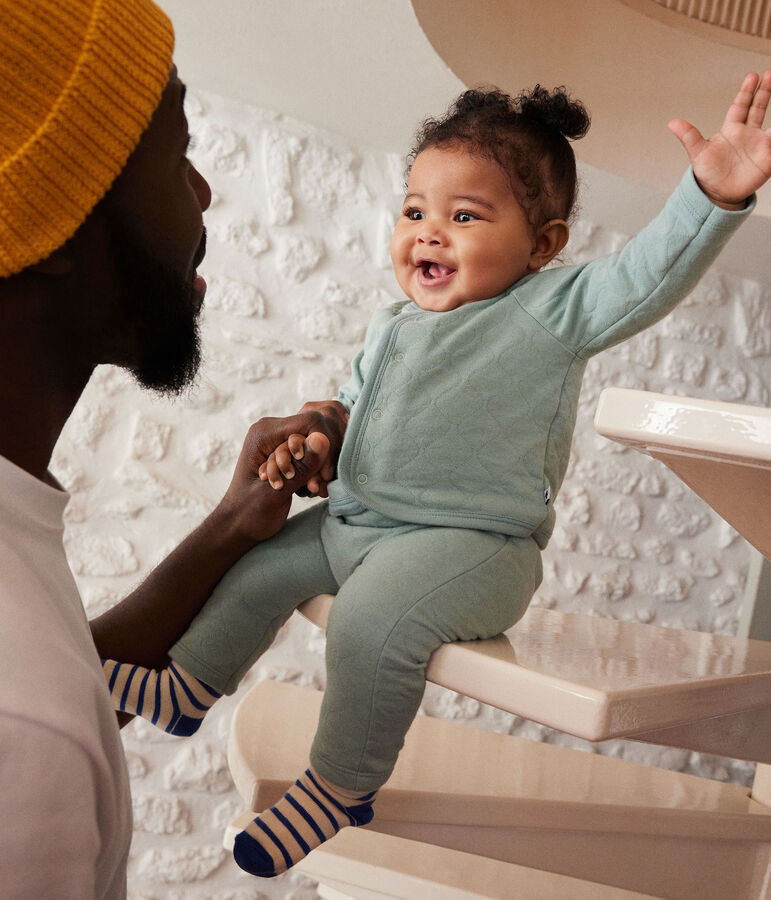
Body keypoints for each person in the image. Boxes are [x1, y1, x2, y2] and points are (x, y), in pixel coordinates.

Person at [102, 72, 771, 879]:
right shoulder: (392, 328)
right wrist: (318, 447)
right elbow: (352, 413)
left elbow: (644, 276)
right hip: (359, 526)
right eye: (415, 211)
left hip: (470, 547)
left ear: (543, 245)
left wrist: (710, 194)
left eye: (464, 216)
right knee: (258, 567)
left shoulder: (551, 313)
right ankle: (188, 685)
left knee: (372, 622)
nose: (428, 233)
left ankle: (339, 785)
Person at [0, 1, 347, 896]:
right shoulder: (23, 730)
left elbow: (66, 678)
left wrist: (231, 527)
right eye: (174, 146)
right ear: (48, 215)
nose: (199, 191)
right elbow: (41, 714)